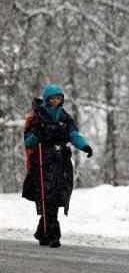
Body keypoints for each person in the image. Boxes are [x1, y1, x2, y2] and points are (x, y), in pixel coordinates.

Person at [22, 84, 93, 248]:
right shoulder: (39, 117)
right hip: (43, 161)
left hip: (61, 161)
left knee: (59, 195)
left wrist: (85, 146)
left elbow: (74, 135)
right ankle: (54, 235)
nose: (55, 101)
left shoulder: (66, 117)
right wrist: (36, 134)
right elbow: (28, 141)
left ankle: (42, 231)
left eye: (58, 98)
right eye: (52, 98)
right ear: (47, 99)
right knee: (48, 196)